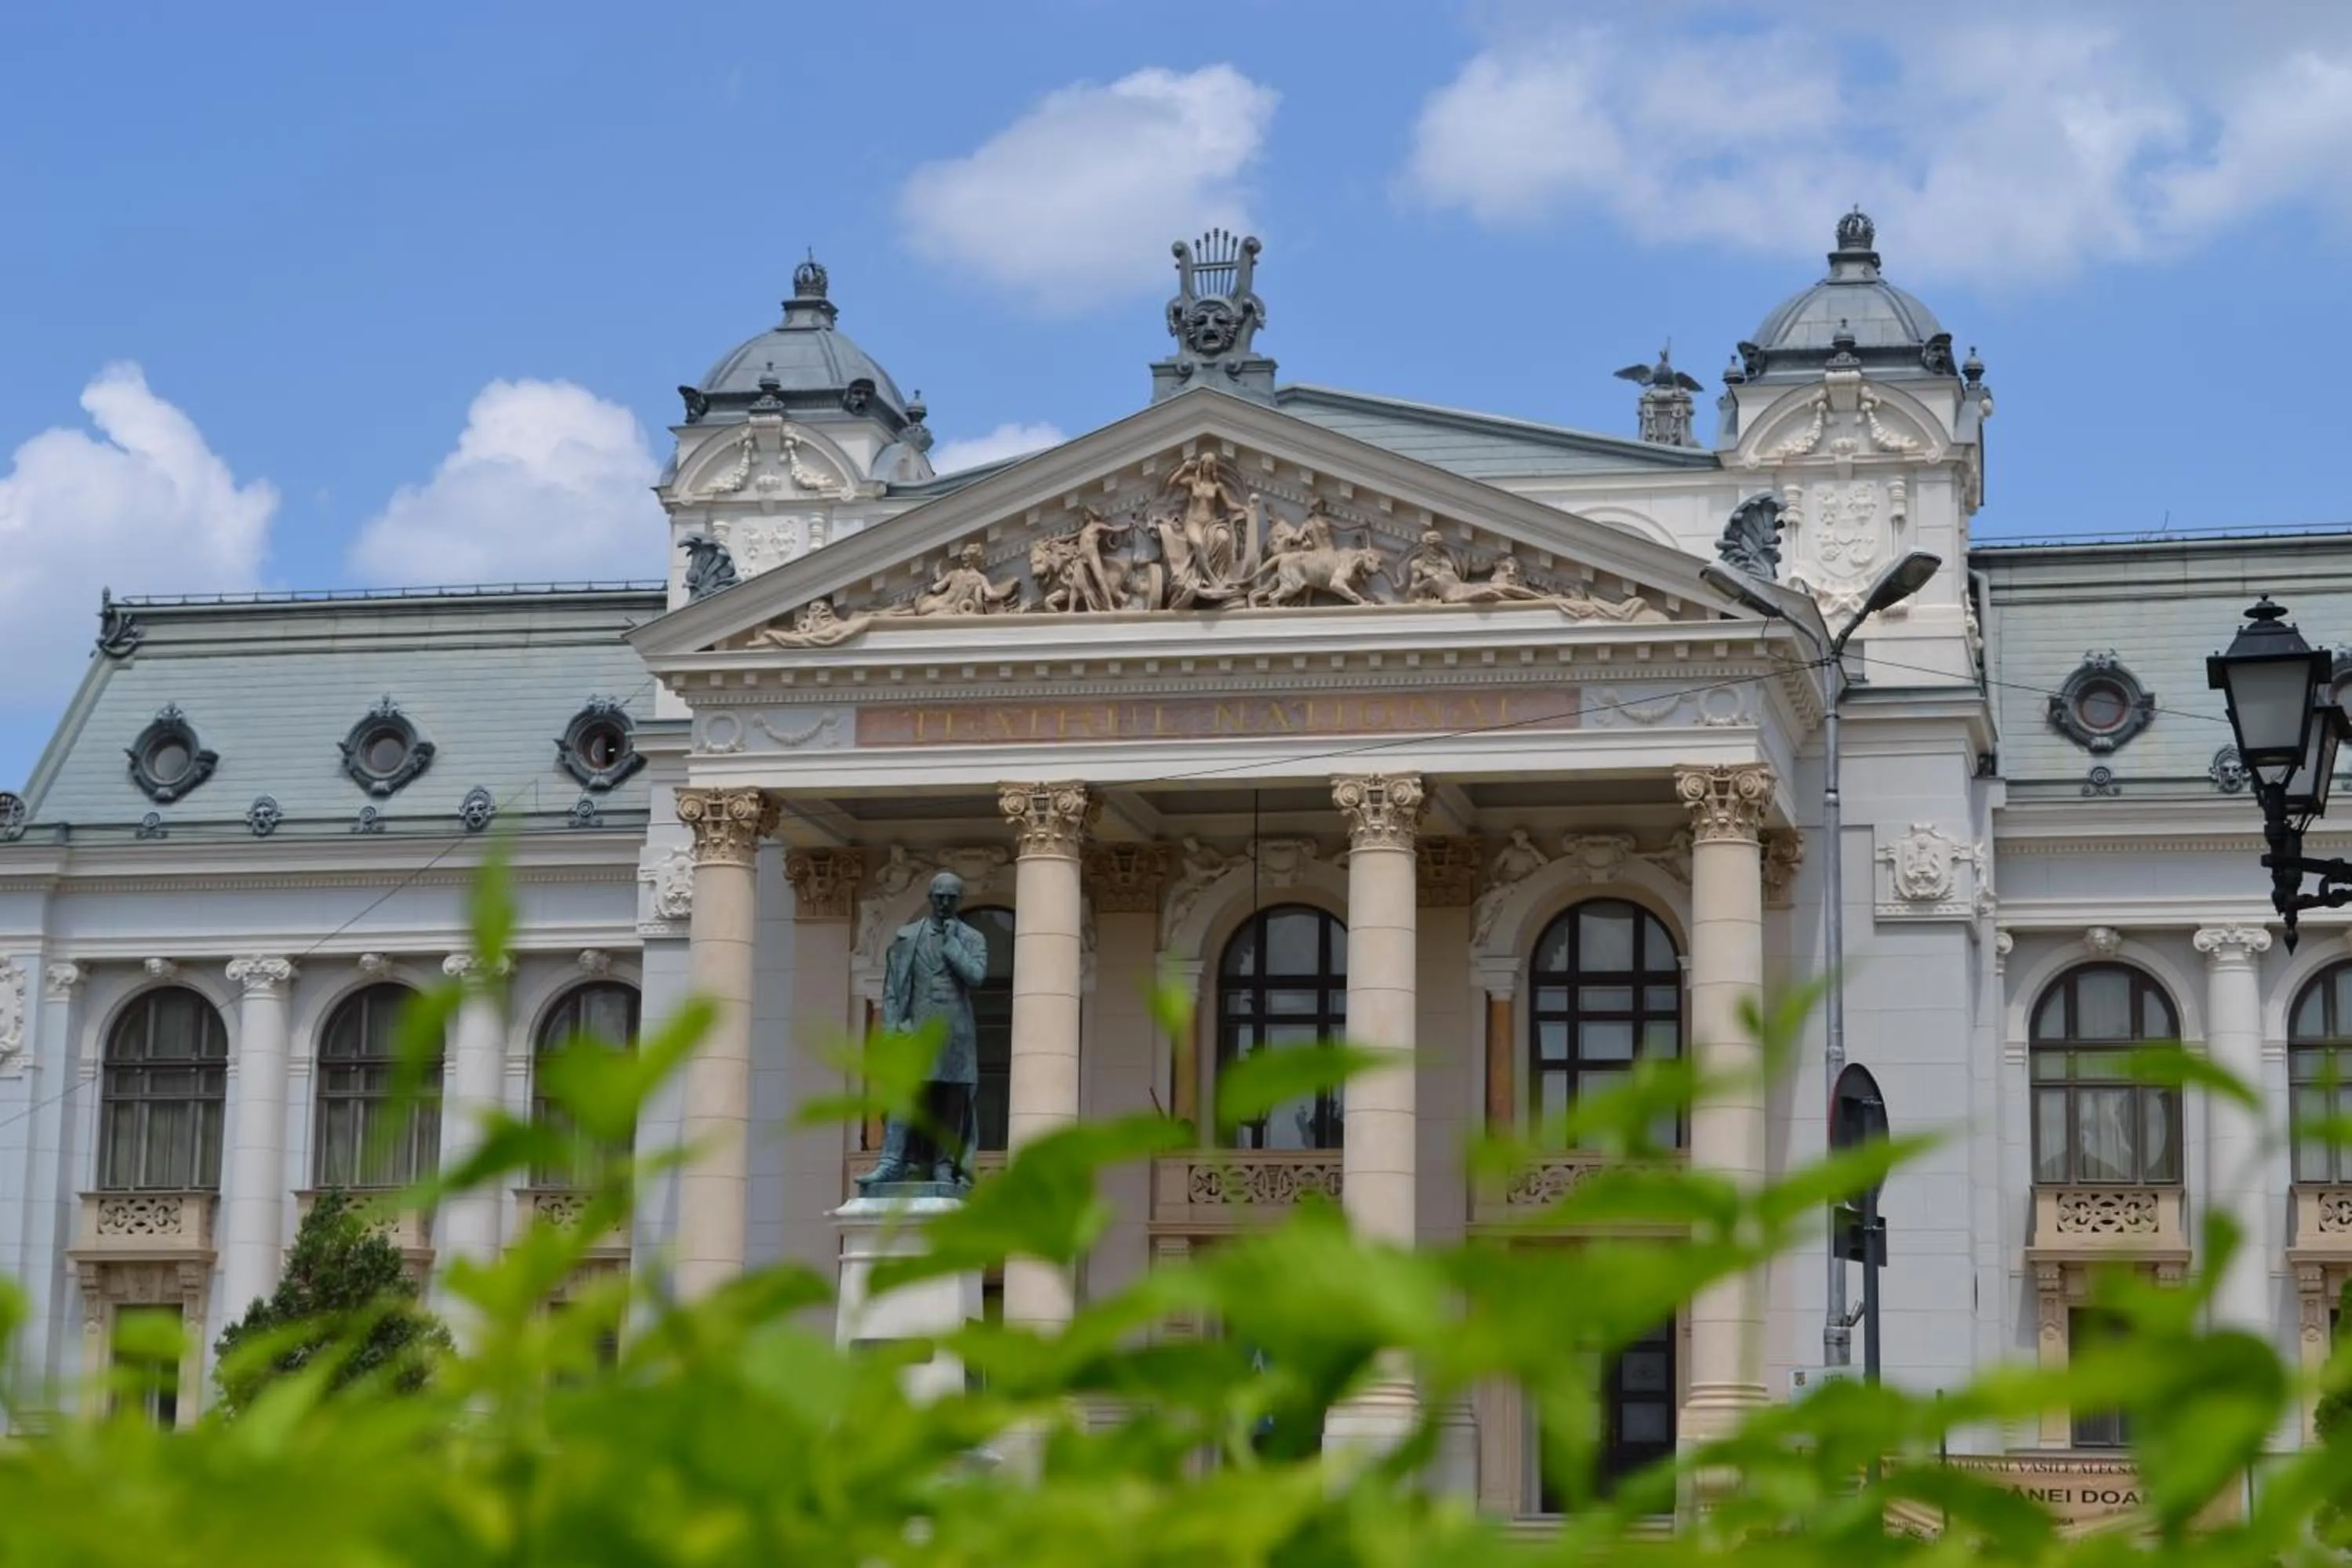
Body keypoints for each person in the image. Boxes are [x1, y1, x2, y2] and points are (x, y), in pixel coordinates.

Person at [858, 871, 989, 1189]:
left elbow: (976, 976)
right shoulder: (906, 937)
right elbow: (892, 991)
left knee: (950, 1103)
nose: (944, 903)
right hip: (914, 1034)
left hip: (954, 1035)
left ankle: (945, 1167)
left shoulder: (972, 939)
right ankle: (891, 1162)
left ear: (960, 901)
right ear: (930, 898)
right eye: (939, 897)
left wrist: (952, 946)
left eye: (951, 898)